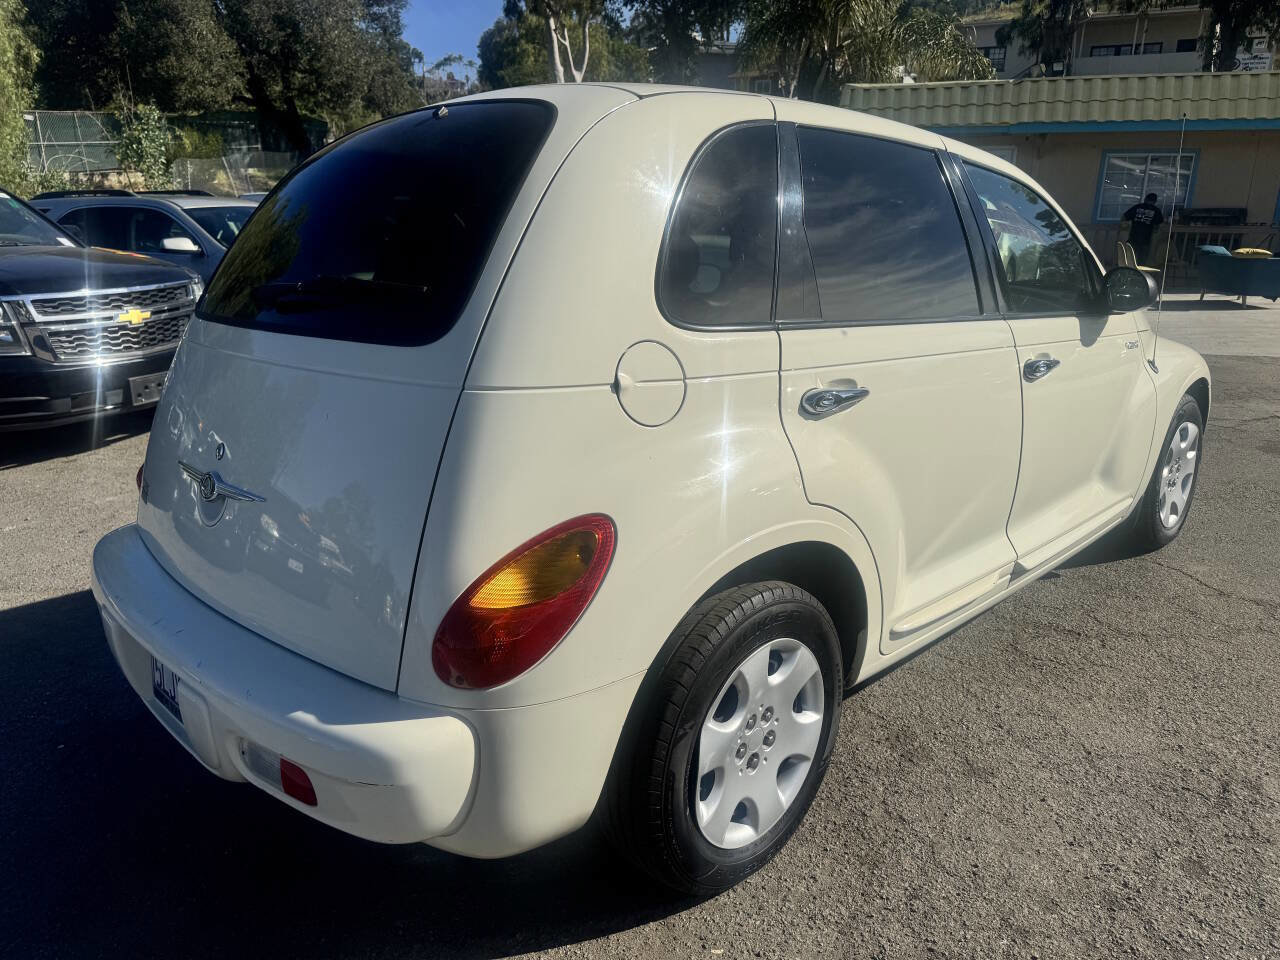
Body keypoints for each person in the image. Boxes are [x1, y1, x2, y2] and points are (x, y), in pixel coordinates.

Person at [1122, 192, 1165, 266]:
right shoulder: (1156, 210)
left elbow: (1124, 217)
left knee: (1129, 258)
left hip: (1133, 237)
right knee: (1141, 261)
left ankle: (1127, 271)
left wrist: (1125, 226)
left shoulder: (1137, 207)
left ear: (1145, 199)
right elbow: (1159, 224)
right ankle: (1139, 272)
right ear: (1155, 201)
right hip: (1145, 239)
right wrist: (1155, 229)